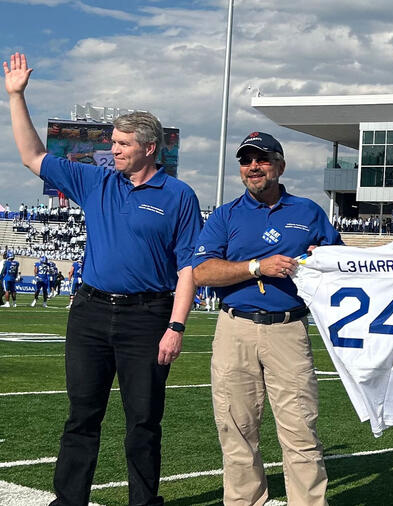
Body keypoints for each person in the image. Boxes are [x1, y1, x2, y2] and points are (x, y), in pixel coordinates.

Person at [4, 52, 202, 505]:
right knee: (81, 416)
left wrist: (176, 326)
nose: (112, 150)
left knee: (143, 421)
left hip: (148, 317)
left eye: (122, 145)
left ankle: (144, 502)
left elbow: (188, 265)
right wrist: (16, 96)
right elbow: (32, 155)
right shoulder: (96, 182)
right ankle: (68, 500)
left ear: (150, 148)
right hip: (90, 313)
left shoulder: (178, 195)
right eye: (113, 142)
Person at [193, 131, 341, 506]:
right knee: (236, 430)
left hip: (288, 329)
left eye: (261, 159)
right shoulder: (226, 215)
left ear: (280, 165)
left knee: (300, 430)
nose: (253, 167)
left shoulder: (308, 211)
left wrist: (322, 258)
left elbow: (340, 264)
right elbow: (203, 272)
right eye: (246, 161)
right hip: (235, 328)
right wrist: (257, 267)